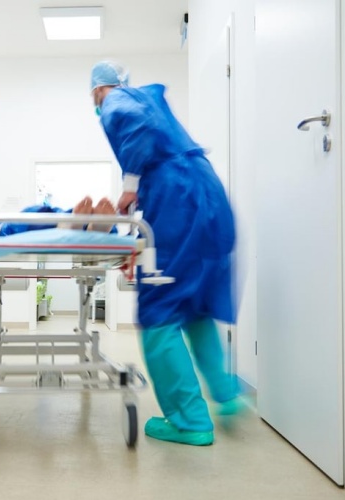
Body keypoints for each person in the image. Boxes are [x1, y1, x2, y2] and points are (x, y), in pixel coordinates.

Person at [90, 61, 241, 446]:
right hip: (206, 195)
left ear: (97, 90)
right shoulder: (153, 106)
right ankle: (224, 390)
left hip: (178, 203)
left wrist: (129, 183)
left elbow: (133, 122)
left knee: (159, 309)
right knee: (194, 304)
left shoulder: (117, 99)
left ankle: (189, 421)